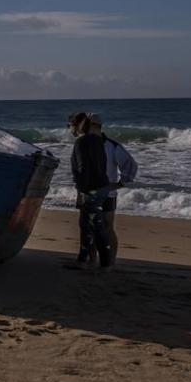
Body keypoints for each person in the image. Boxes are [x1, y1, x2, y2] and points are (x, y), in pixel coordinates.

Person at [87, 113, 138, 261]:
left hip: (107, 194)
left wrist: (120, 184)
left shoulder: (112, 146)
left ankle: (110, 260)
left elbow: (130, 165)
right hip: (89, 192)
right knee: (89, 228)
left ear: (95, 127)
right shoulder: (85, 145)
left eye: (88, 126)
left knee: (107, 227)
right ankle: (92, 260)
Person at [68, 111, 114, 270]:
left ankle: (104, 263)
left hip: (91, 190)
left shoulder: (81, 142)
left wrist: (81, 192)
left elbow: (82, 168)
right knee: (88, 225)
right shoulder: (98, 141)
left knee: (95, 227)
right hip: (102, 187)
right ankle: (83, 260)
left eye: (71, 126)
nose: (70, 130)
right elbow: (102, 164)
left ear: (77, 127)